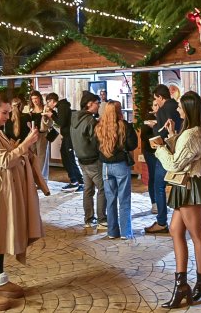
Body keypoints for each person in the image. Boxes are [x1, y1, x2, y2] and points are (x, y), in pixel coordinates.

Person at [0, 89, 43, 311]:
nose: (7, 116)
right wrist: (26, 144)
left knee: (0, 232)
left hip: (3, 190)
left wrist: (23, 147)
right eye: (4, 113)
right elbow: (4, 160)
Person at [151, 91, 201, 308]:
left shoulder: (192, 134)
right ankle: (182, 285)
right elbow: (182, 153)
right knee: (176, 230)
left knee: (197, 236)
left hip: (189, 186)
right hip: (186, 185)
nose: (176, 109)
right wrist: (171, 135)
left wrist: (160, 149)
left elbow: (175, 164)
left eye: (179, 106)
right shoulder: (192, 131)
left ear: (188, 109)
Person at [97, 100, 137, 239]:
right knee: (124, 199)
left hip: (106, 167)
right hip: (121, 165)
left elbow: (96, 145)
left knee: (110, 199)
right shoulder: (124, 126)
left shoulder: (100, 126)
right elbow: (133, 144)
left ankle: (112, 232)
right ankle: (126, 232)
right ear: (119, 111)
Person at [144, 84, 181, 234]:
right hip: (180, 152)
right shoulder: (178, 107)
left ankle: (161, 221)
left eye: (156, 99)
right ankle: (183, 219)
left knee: (158, 186)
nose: (156, 102)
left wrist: (154, 126)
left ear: (160, 97)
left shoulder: (163, 110)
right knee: (180, 185)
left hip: (166, 153)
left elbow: (161, 133)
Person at [71, 91, 107, 228]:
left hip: (81, 159)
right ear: (89, 104)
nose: (98, 106)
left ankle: (88, 219)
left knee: (88, 189)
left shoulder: (74, 118)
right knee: (102, 188)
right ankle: (102, 219)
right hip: (93, 160)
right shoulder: (90, 120)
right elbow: (96, 141)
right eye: (97, 103)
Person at [50, 93, 83, 191]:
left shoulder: (62, 106)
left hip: (69, 136)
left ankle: (81, 182)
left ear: (52, 100)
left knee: (70, 158)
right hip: (66, 136)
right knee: (65, 157)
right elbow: (61, 119)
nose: (48, 103)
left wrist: (52, 115)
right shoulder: (60, 107)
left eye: (48, 101)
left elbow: (61, 122)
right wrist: (53, 113)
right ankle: (73, 180)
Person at [26, 91, 52, 181]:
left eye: (36, 98)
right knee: (32, 154)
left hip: (42, 134)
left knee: (42, 155)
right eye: (32, 99)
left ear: (40, 98)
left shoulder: (45, 108)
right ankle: (33, 175)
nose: (34, 100)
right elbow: (27, 121)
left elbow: (50, 122)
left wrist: (45, 117)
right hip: (33, 134)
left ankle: (42, 178)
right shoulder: (30, 109)